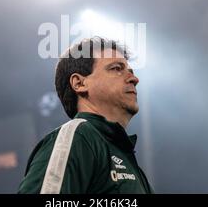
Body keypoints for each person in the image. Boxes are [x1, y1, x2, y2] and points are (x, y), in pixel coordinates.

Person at [18, 37, 154, 194]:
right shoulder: (79, 137)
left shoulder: (128, 161)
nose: (134, 79)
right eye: (117, 68)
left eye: (131, 72)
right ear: (79, 83)